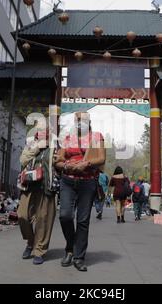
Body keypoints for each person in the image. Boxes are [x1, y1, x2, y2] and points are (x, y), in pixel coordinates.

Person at [55, 112, 106, 272]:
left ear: (89, 121)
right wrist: (66, 166)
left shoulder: (97, 136)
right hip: (68, 181)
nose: (80, 122)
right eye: (77, 119)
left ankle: (78, 257)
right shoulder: (68, 138)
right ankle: (70, 247)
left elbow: (102, 158)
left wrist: (86, 163)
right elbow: (58, 160)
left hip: (88, 181)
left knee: (83, 221)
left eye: (83, 119)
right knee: (65, 215)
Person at [17, 127, 56, 265]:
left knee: (43, 219)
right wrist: (38, 147)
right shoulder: (31, 144)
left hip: (46, 186)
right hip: (29, 185)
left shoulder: (55, 146)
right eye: (39, 130)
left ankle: (39, 250)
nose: (42, 133)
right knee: (22, 215)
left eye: (46, 130)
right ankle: (30, 242)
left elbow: (59, 163)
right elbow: (23, 160)